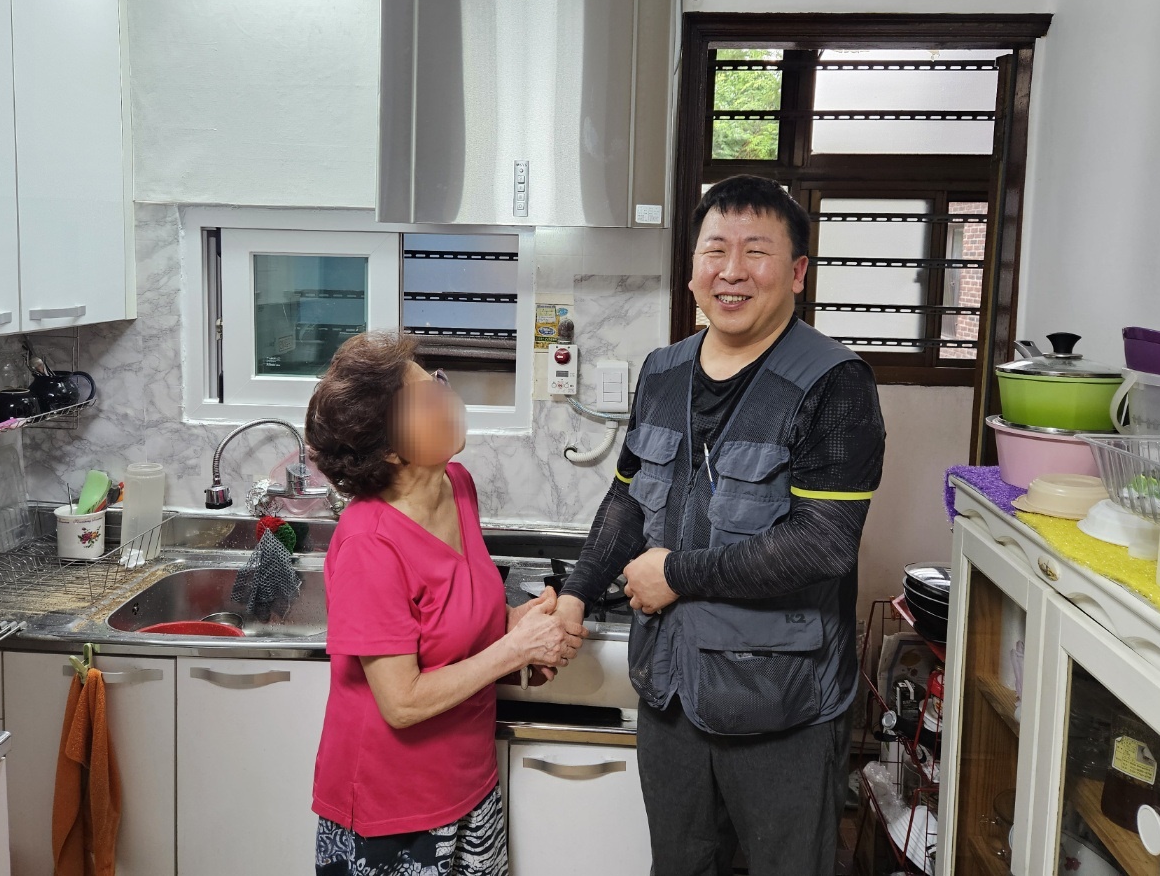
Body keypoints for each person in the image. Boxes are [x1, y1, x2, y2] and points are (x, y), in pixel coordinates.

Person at [556, 174, 886, 876]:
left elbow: (823, 543)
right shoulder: (662, 371)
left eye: (756, 251)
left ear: (797, 273)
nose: (732, 271)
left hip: (784, 706)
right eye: (715, 250)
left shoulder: (835, 383)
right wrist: (577, 591)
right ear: (693, 271)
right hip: (671, 693)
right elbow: (627, 500)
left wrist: (675, 573)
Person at [305, 331, 588, 876]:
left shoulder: (456, 486)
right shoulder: (369, 542)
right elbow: (402, 702)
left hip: (470, 785)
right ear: (388, 449)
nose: (447, 398)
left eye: (438, 383)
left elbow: (453, 625)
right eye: (426, 399)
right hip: (392, 811)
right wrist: (514, 650)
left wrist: (519, 627)